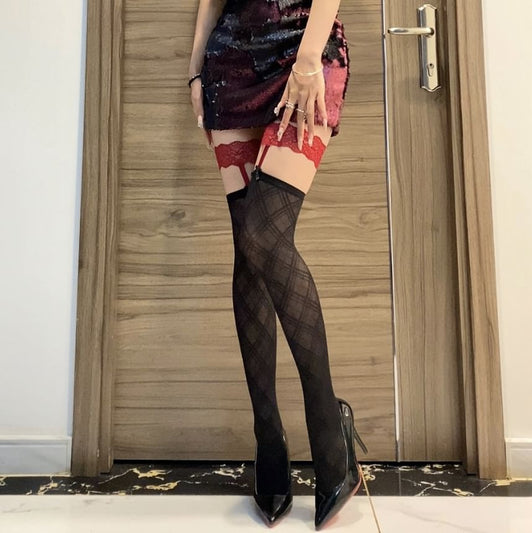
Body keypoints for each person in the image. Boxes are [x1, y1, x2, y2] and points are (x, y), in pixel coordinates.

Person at [188, 1, 368, 529]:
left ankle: (328, 426)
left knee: (264, 235)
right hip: (230, 62)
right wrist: (195, 69)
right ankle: (267, 435)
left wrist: (309, 59)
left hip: (304, 50)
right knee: (249, 247)